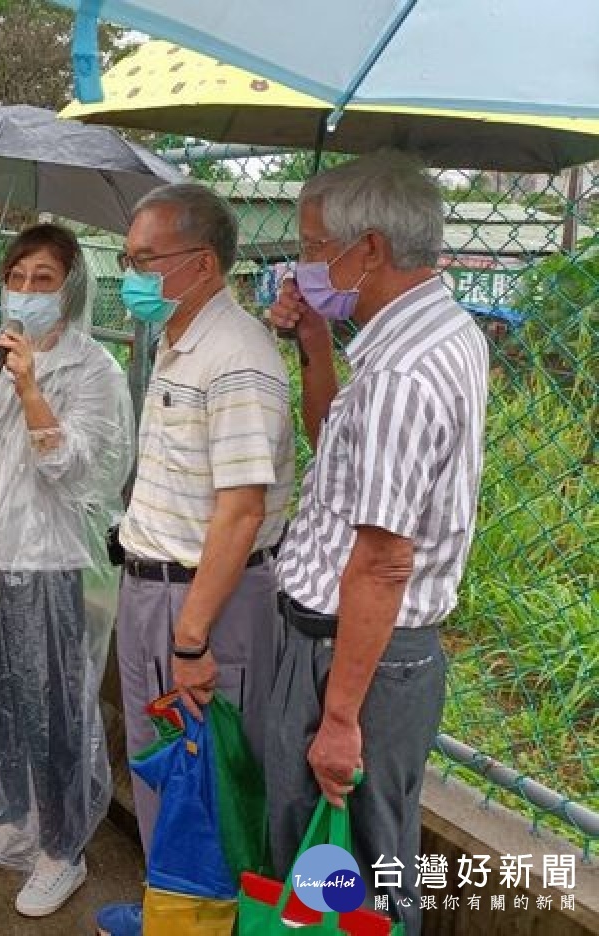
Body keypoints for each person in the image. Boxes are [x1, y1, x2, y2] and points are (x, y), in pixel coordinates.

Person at [265, 151, 488, 936]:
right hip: (368, 650)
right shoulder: (438, 333)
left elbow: (385, 560)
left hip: (353, 654)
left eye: (314, 246)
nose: (303, 264)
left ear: (370, 250)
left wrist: (339, 719)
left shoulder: (402, 372)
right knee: (351, 870)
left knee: (343, 883)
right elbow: (337, 446)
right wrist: (315, 342)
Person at [95, 184, 295, 936]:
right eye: (128, 258)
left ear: (202, 263)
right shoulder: (184, 341)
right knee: (165, 767)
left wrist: (190, 639)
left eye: (145, 259)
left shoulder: (237, 357)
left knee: (205, 777)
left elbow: (241, 511)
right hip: (158, 590)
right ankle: (167, 913)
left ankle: (201, 921)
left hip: (200, 605)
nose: (131, 275)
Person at [0, 223, 134, 918]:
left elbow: (82, 475)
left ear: (70, 288)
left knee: (52, 708)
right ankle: (12, 815)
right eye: (16, 278)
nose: (25, 291)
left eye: (42, 279)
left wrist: (30, 389)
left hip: (46, 561)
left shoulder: (94, 369)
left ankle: (62, 847)